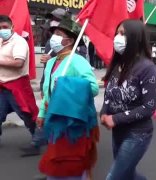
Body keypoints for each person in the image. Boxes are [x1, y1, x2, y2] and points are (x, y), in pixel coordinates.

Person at [37, 15, 99, 180]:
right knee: (57, 161)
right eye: (53, 33)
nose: (53, 38)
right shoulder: (51, 62)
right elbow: (47, 90)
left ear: (69, 41)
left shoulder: (78, 61)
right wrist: (42, 113)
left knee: (72, 163)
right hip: (55, 119)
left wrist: (66, 85)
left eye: (58, 34)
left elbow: (93, 88)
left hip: (73, 121)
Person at [100, 20, 156, 180]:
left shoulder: (147, 68)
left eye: (123, 34)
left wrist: (115, 118)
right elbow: (109, 94)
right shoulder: (118, 64)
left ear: (135, 38)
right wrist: (104, 112)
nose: (117, 38)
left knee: (114, 177)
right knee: (127, 174)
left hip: (138, 133)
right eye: (117, 33)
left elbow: (149, 107)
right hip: (118, 131)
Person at [0, 15, 44, 152]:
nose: (2, 30)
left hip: (17, 84)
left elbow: (19, 63)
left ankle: (38, 141)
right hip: (2, 85)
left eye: (5, 27)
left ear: (12, 27)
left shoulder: (19, 42)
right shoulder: (1, 41)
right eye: (0, 28)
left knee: (27, 114)